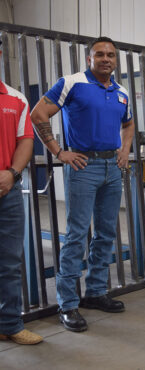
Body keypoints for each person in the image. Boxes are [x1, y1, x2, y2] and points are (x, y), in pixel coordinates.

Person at [31, 36, 134, 332]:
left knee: (105, 233)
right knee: (77, 235)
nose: (106, 59)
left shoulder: (121, 91)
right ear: (89, 59)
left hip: (112, 168)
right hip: (83, 166)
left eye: (111, 55)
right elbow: (39, 114)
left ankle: (96, 292)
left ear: (115, 60)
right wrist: (58, 151)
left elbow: (127, 124)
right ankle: (67, 304)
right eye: (99, 54)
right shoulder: (72, 83)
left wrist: (125, 149)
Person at [0, 41, 43, 344]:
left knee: (9, 263)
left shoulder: (15, 99)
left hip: (7, 191)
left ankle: (9, 324)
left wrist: (12, 174)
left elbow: (25, 140)